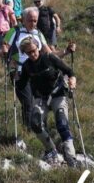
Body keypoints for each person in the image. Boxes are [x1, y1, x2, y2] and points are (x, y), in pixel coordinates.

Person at [3, 7, 74, 127]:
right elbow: (4, 47)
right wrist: (9, 61)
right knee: (27, 102)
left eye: (35, 21)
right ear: (23, 20)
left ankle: (40, 127)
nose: (33, 23)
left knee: (37, 102)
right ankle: (30, 129)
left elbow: (49, 54)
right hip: (19, 72)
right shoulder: (15, 31)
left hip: (36, 73)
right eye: (30, 20)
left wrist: (66, 51)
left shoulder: (38, 33)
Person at [18, 37, 79, 167]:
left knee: (62, 123)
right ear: (25, 53)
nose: (32, 54)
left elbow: (69, 71)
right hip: (41, 98)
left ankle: (71, 157)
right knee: (35, 123)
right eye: (28, 53)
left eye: (34, 50)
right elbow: (21, 84)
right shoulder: (27, 66)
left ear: (38, 47)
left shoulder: (49, 58)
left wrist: (72, 80)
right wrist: (14, 76)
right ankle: (51, 150)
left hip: (58, 94)